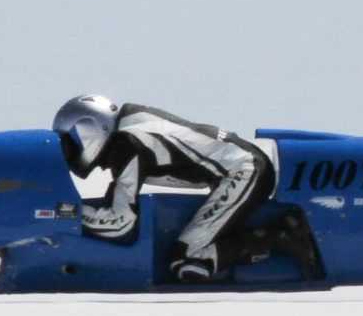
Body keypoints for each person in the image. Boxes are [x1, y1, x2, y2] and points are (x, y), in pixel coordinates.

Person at [52, 94, 317, 282]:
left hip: (243, 170)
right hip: (243, 165)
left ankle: (280, 236)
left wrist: (62, 213)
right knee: (186, 256)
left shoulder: (127, 145)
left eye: (69, 143)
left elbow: (121, 222)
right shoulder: (128, 127)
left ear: (88, 131)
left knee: (187, 261)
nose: (68, 153)